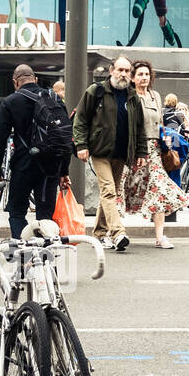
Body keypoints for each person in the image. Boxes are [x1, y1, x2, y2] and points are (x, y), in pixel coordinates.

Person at [0, 65, 70, 240]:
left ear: (15, 82)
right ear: (36, 80)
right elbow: (64, 136)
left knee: (16, 211)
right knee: (45, 216)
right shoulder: (55, 98)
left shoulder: (10, 102)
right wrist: (64, 171)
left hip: (23, 166)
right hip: (50, 168)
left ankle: (25, 256)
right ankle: (46, 261)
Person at [121, 61, 189, 248]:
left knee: (158, 189)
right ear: (133, 78)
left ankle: (160, 237)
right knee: (121, 189)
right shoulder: (128, 96)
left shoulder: (155, 96)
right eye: (140, 74)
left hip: (154, 149)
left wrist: (165, 139)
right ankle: (111, 232)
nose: (144, 77)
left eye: (147, 74)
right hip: (133, 149)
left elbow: (159, 122)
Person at [72, 57, 134, 252]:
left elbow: (138, 127)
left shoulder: (132, 96)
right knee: (109, 191)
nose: (123, 74)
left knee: (110, 192)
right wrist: (81, 145)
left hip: (121, 153)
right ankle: (118, 233)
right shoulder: (96, 91)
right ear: (111, 70)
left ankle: (99, 234)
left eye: (127, 71)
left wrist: (140, 152)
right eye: (120, 70)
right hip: (100, 151)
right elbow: (80, 119)